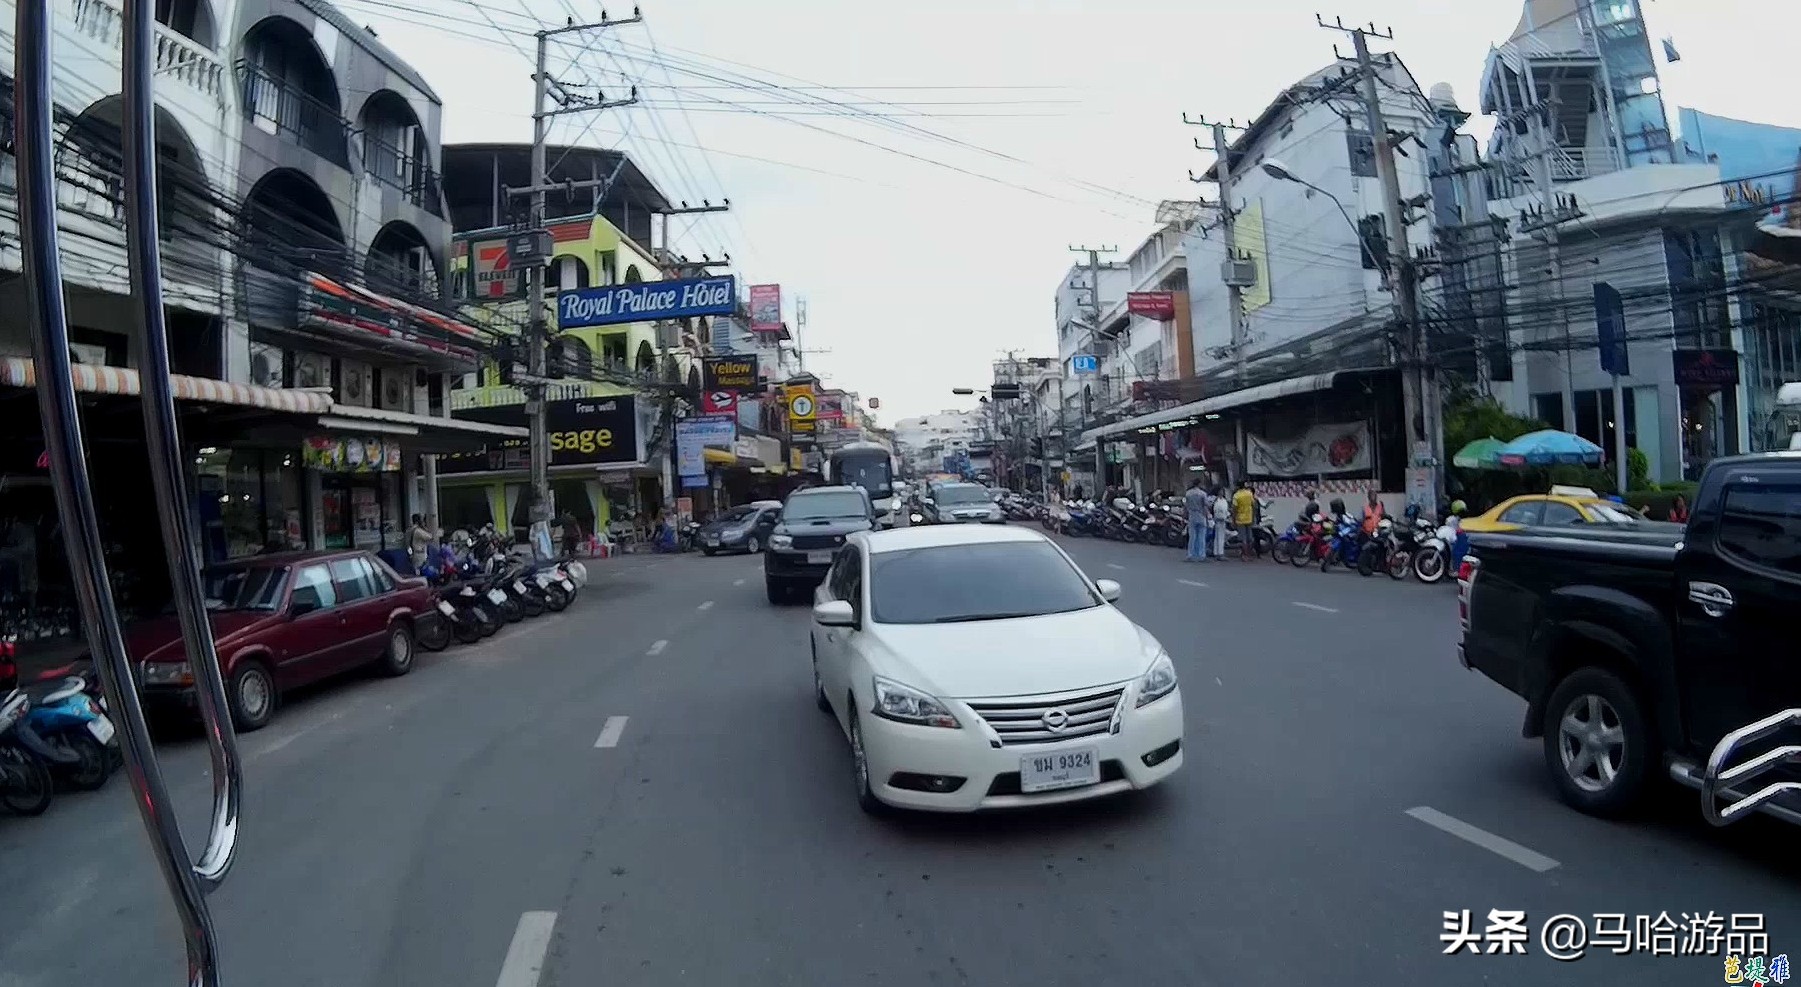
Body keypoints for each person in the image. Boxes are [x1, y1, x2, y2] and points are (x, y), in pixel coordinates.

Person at [1184, 480, 1209, 563]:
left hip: (1192, 516)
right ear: (1199, 484)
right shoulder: (1203, 494)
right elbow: (1205, 506)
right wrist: (1207, 517)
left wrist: (1184, 517)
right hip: (1201, 516)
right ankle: (1201, 555)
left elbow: (1186, 507)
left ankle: (1190, 555)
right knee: (1201, 537)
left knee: (1192, 537)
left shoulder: (1188, 493)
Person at [1232, 481, 1257, 559]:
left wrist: (1233, 519)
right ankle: (1249, 554)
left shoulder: (1236, 496)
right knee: (1250, 537)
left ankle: (1245, 555)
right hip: (1249, 518)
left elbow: (1234, 509)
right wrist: (1253, 517)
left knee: (1243, 539)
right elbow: (1254, 506)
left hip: (1240, 519)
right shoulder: (1249, 493)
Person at [1210, 485, 1231, 558]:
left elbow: (1226, 510)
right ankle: (1219, 553)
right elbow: (1214, 510)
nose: (1222, 492)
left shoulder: (1224, 500)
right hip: (1217, 520)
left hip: (1223, 520)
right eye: (1221, 491)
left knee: (1220, 537)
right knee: (1218, 537)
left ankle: (1218, 552)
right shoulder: (1216, 500)